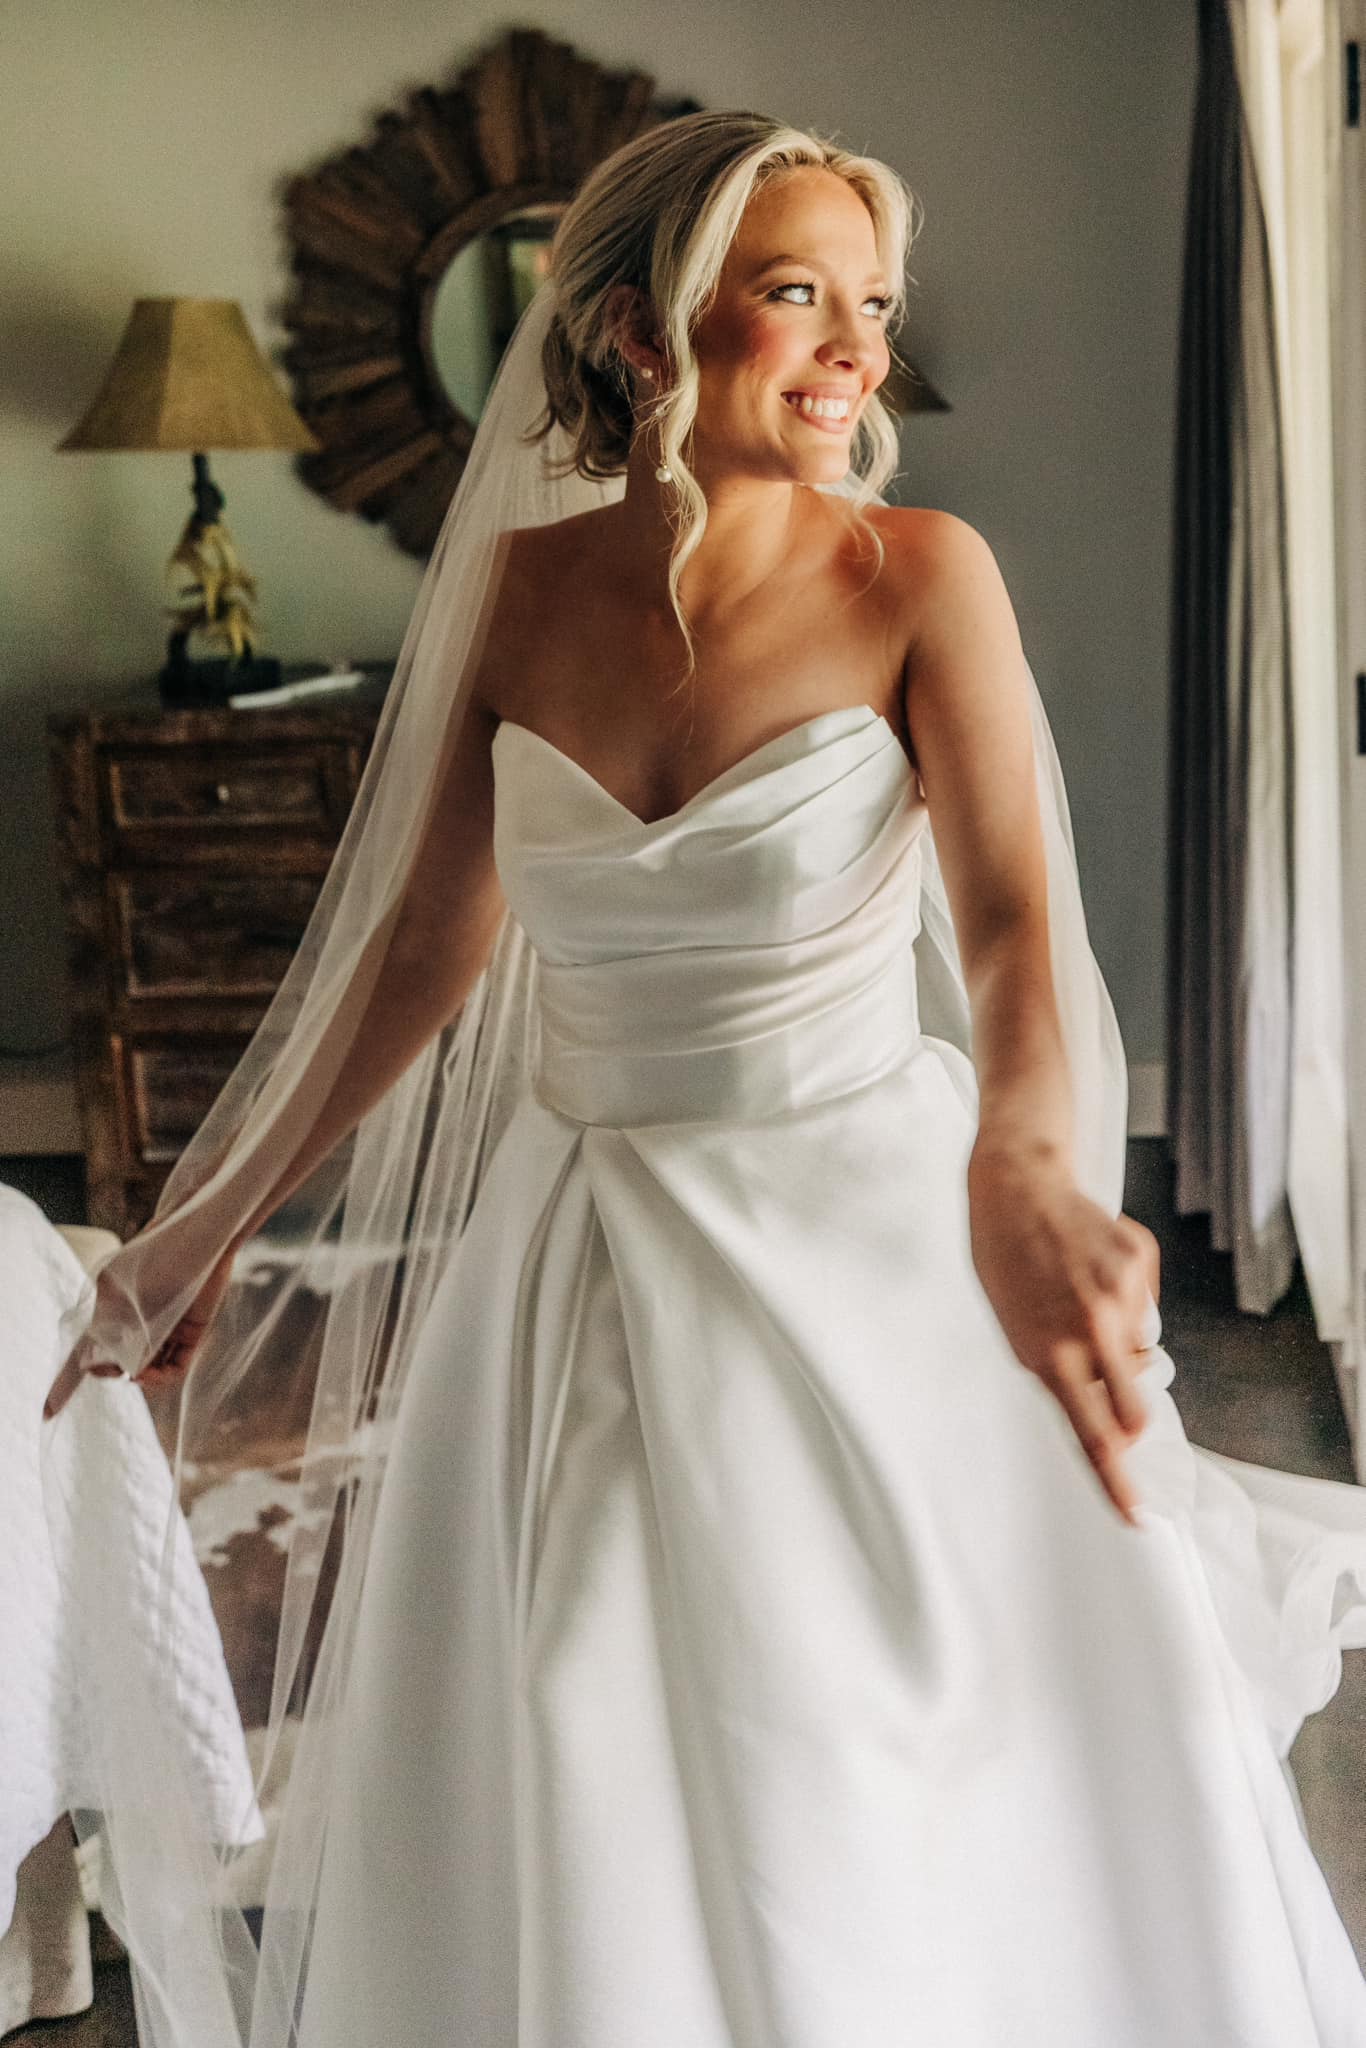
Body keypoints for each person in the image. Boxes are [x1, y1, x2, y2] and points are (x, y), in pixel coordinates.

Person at [40, 110, 1366, 2046]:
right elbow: (426, 951)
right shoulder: (511, 591)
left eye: (872, 305)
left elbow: (1006, 929)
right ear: (642, 335)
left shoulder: (924, 576)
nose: (851, 349)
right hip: (576, 1258)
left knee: (895, 1740)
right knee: (586, 1729)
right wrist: (198, 1232)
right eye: (793, 294)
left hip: (869, 1242)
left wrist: (1021, 1161)